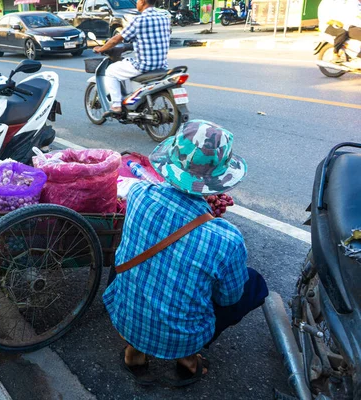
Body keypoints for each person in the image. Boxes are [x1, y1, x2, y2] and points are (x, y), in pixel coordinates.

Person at [103, 120, 268, 386]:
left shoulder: (138, 195)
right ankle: (187, 359)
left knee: (136, 263)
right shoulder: (226, 238)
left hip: (124, 315)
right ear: (219, 179)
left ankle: (134, 353)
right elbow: (229, 298)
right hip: (181, 337)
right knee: (253, 284)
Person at [93, 0, 171, 114]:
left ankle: (116, 105)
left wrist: (101, 49)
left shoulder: (139, 20)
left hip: (144, 66)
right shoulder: (164, 18)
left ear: (143, 2)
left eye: (138, 0)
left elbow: (116, 39)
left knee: (110, 71)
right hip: (162, 65)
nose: (137, 3)